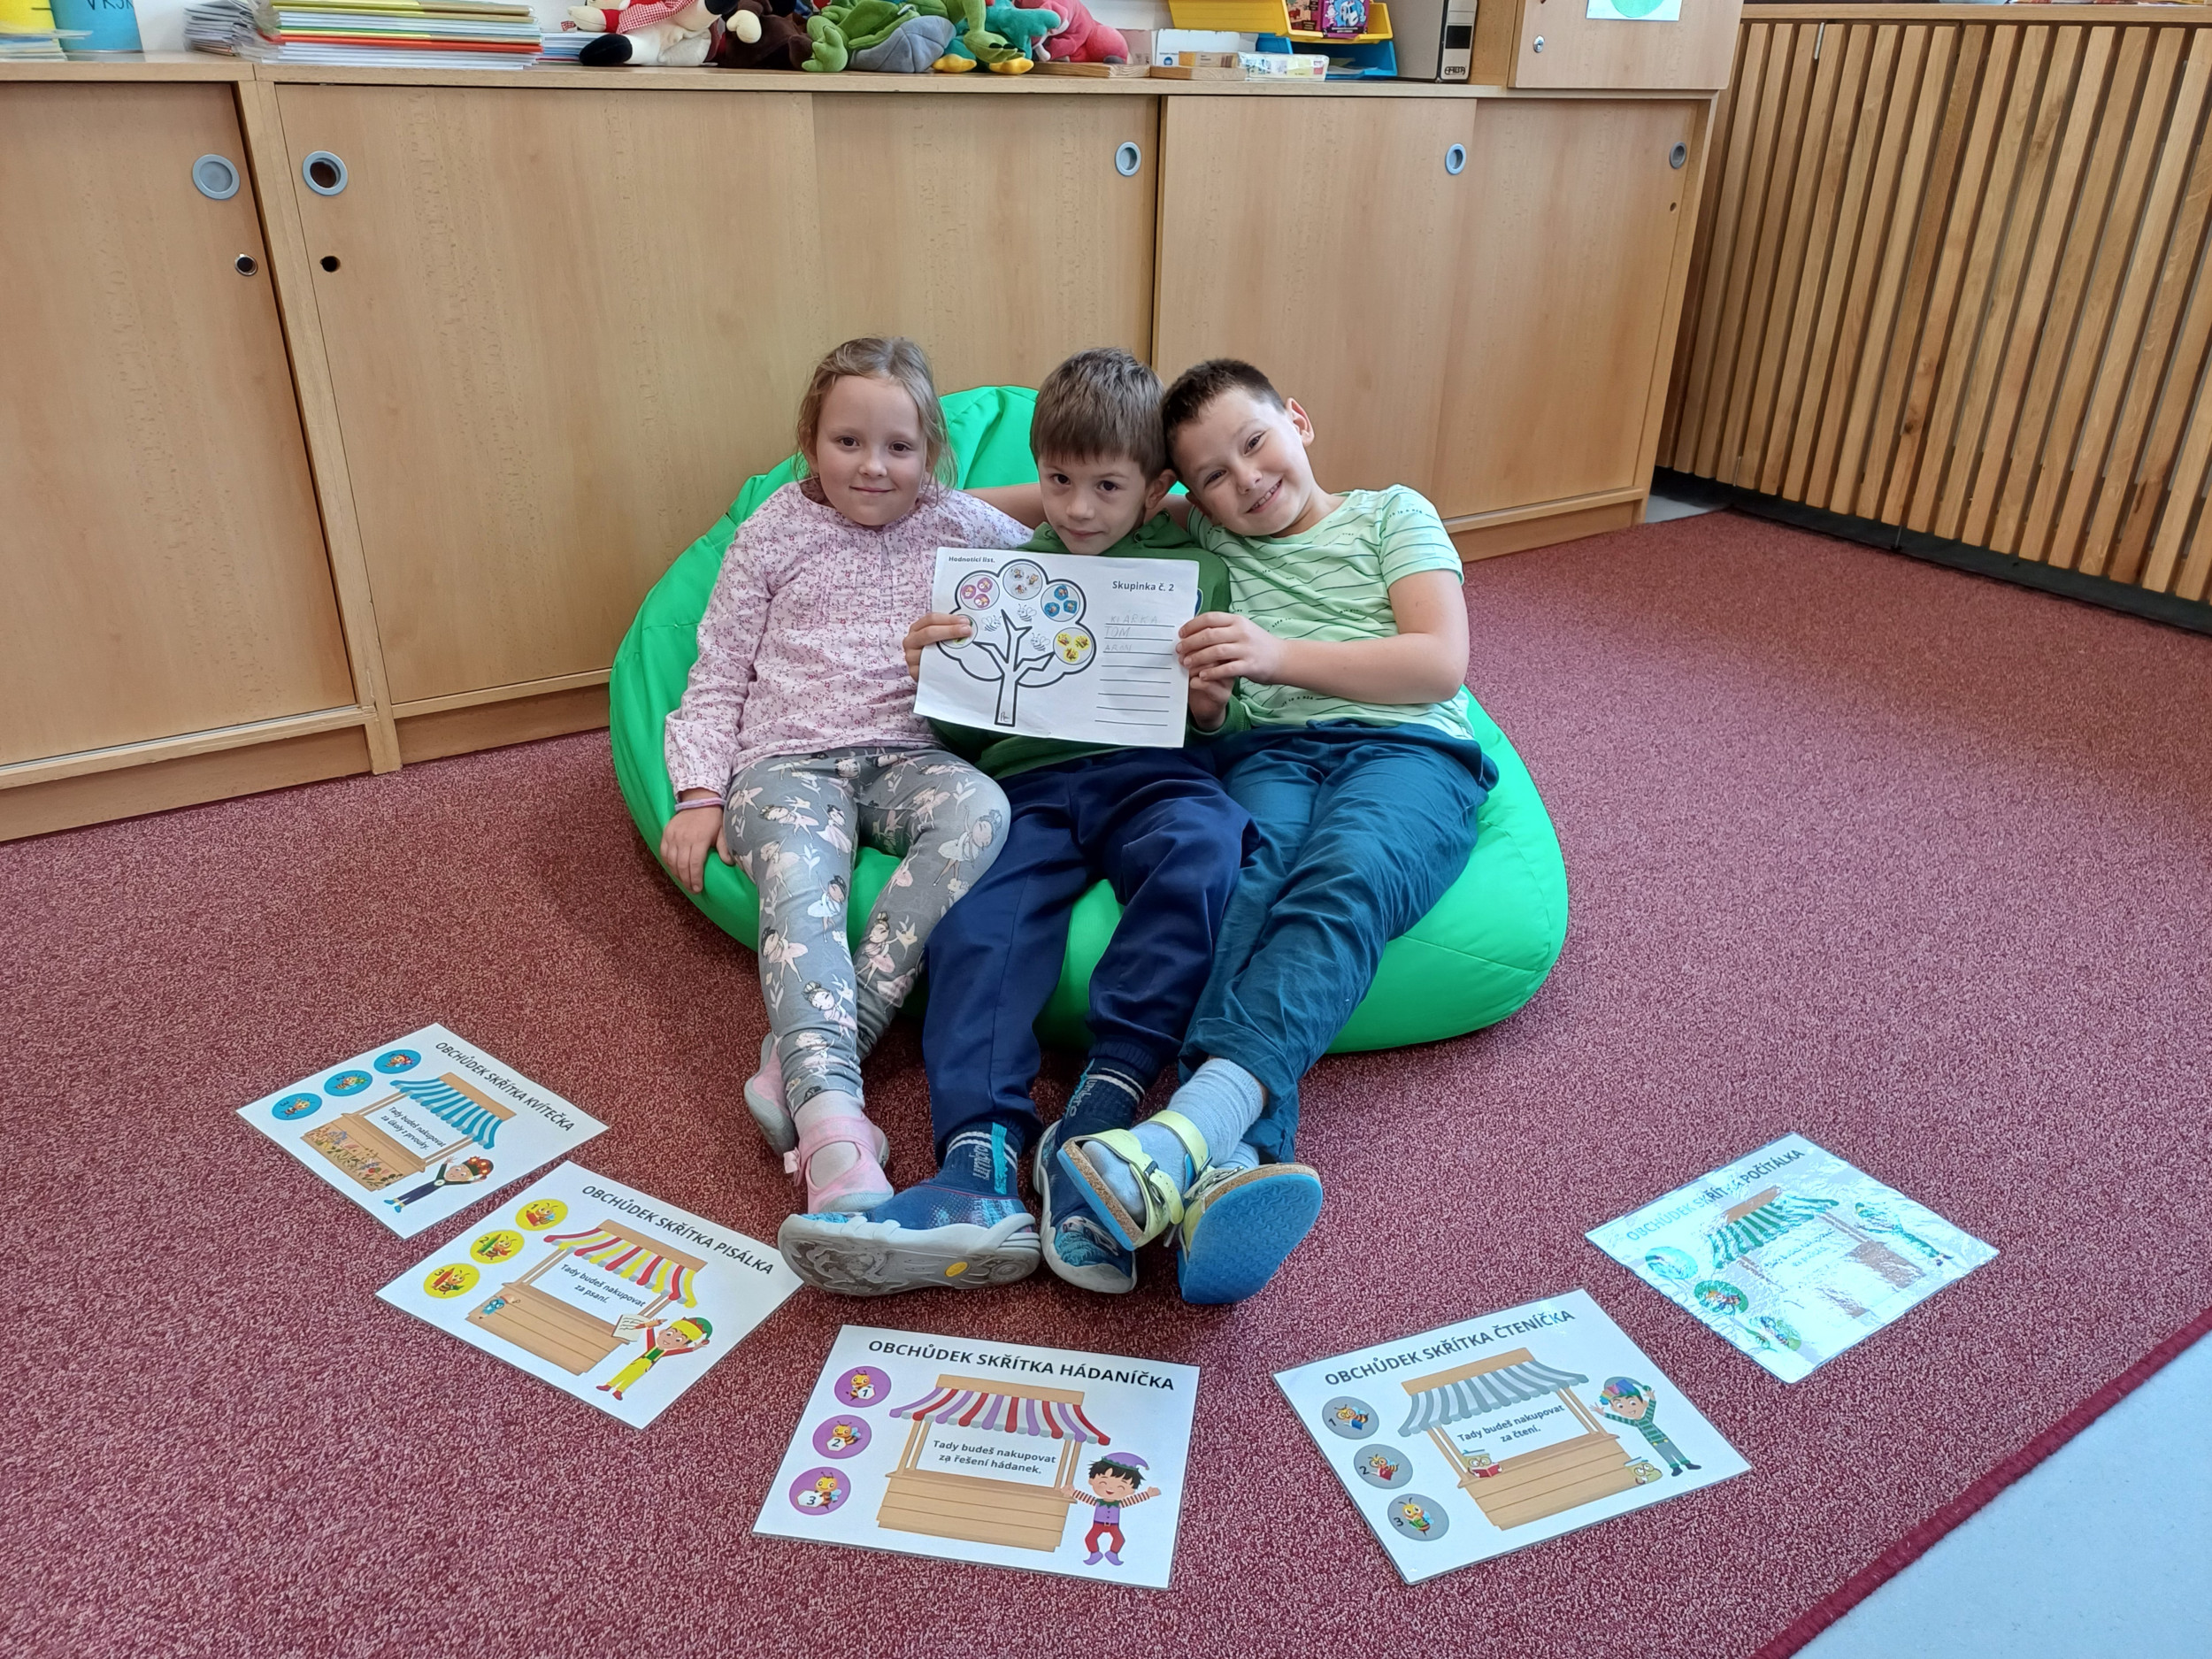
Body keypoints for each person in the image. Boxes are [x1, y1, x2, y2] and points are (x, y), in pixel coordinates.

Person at [776, 349, 1252, 1298]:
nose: (1078, 508)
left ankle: (1102, 1108)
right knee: (978, 922)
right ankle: (977, 1160)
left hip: (1154, 778)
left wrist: (1208, 705)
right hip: (1028, 786)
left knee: (1206, 848)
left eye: (1107, 486)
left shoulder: (1195, 571)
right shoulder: (999, 571)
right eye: (1059, 481)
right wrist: (936, 678)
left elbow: (1221, 723)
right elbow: (965, 733)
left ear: (1155, 487)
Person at [1055, 358, 1496, 1306]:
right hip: (1272, 754)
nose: (1247, 480)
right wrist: (909, 498)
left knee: (1345, 875)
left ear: (1298, 418)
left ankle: (1182, 1133)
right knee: (1245, 893)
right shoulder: (1205, 531)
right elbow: (1076, 488)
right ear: (1183, 491)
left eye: (1256, 443)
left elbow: (1438, 663)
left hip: (1409, 748)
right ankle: (1230, 1165)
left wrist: (1274, 653)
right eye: (1213, 475)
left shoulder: (1391, 514)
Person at [661, 335, 1032, 1219]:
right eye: (848, 442)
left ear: (932, 455)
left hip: (910, 757)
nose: (873, 467)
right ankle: (834, 1131)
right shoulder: (773, 531)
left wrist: (1166, 518)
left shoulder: (958, 522)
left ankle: (813, 1054)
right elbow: (718, 670)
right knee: (799, 879)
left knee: (984, 809)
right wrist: (699, 793)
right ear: (809, 442)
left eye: (899, 448)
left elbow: (1062, 538)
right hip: (786, 762)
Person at [1056, 1453, 1160, 1567]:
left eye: (1121, 1487)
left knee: (1119, 1539)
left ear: (1131, 1490)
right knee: (1090, 1538)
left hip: (1113, 1526)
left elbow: (1133, 1500)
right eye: (1103, 1482)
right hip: (1098, 1524)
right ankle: (1095, 1553)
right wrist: (1072, 1492)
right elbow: (1085, 1497)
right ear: (1091, 1480)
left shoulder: (1119, 1504)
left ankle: (1113, 1553)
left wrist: (1148, 1494)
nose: (1110, 1488)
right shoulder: (1097, 1502)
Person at [1594, 1378, 1701, 1476]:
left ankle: (1687, 1463)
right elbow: (1620, 1419)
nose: (1628, 1408)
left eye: (1632, 1403)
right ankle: (1675, 1467)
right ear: (1615, 1409)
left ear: (1643, 1403)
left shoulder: (1647, 1417)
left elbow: (1651, 1408)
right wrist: (1604, 1414)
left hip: (1663, 1438)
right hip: (1654, 1442)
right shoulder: (1635, 1423)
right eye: (1620, 1406)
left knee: (1674, 1450)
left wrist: (1652, 1399)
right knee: (1665, 1454)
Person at [383, 1154, 493, 1214]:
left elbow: (459, 1183)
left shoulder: (449, 1183)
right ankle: (395, 1200)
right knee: (414, 1192)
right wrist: (445, 1163)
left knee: (418, 1196)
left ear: (465, 1179)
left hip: (432, 1189)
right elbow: (441, 1171)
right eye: (458, 1169)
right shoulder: (441, 1176)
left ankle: (401, 1205)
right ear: (453, 1167)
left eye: (462, 1175)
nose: (456, 1174)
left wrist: (473, 1182)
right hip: (429, 1184)